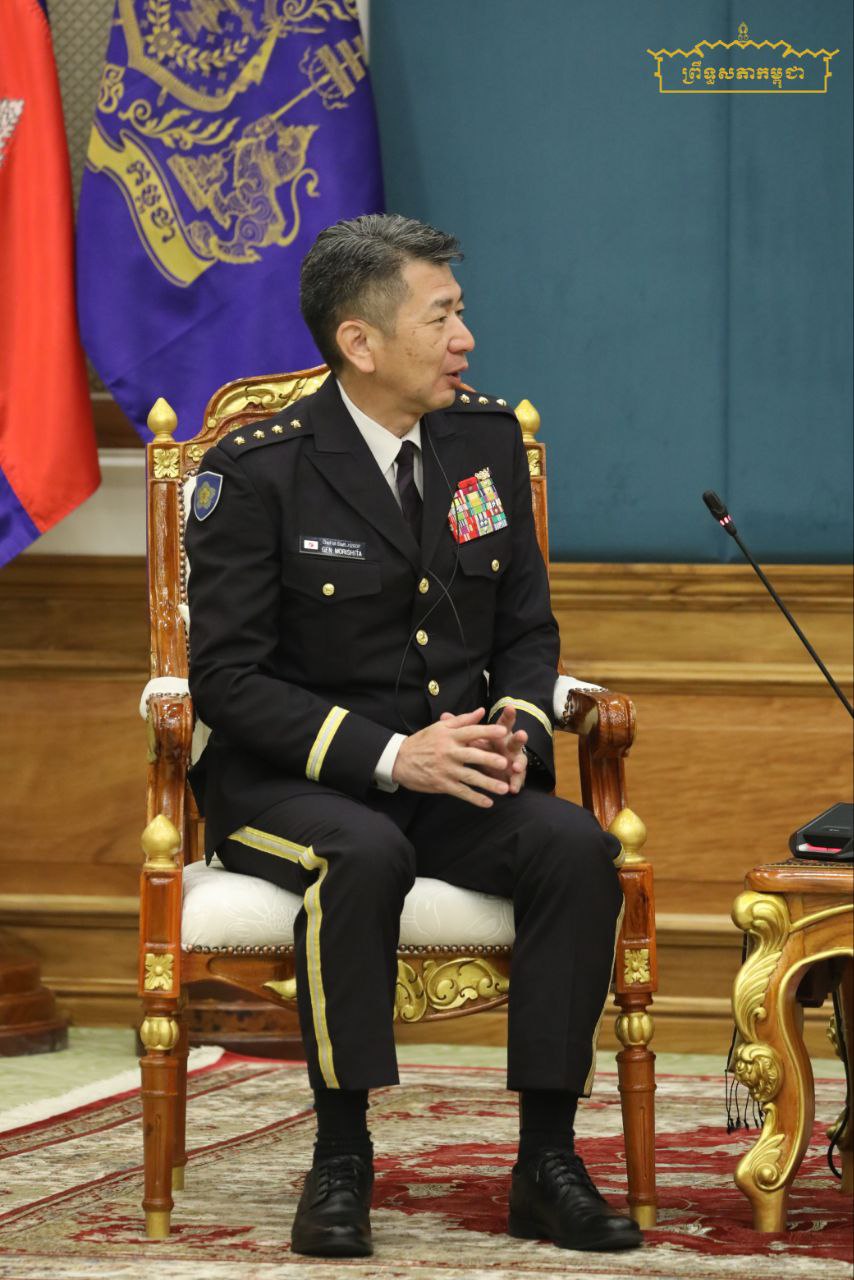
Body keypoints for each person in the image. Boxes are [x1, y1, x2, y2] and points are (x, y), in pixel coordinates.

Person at [186, 214, 641, 1257]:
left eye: (459, 312)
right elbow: (227, 680)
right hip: (293, 782)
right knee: (364, 848)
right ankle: (341, 1156)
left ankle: (546, 1161)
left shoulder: (481, 442)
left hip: (448, 771)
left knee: (574, 846)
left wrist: (514, 728)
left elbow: (524, 627)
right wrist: (394, 756)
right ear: (359, 340)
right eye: (441, 317)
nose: (464, 338)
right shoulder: (258, 470)